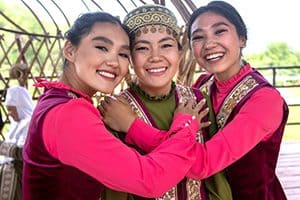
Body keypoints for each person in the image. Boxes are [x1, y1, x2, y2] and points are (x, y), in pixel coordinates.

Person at [101, 1, 289, 199]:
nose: (209, 44)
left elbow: (203, 163)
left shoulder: (264, 100)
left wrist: (132, 126)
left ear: (242, 38)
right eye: (198, 37)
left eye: (220, 31)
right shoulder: (203, 87)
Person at [22, 11, 209, 200]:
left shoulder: (57, 100)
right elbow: (149, 180)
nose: (113, 62)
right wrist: (186, 124)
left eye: (122, 54)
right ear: (70, 50)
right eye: (102, 47)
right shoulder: (70, 114)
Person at [100, 4, 231, 200]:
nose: (155, 57)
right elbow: (116, 190)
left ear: (179, 52)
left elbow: (214, 177)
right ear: (130, 57)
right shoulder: (115, 111)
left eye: (166, 45)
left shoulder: (197, 101)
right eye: (143, 48)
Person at [0, 63, 34, 200]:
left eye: (11, 109)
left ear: (20, 106)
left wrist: (2, 146)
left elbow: (25, 152)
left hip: (21, 176)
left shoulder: (30, 124)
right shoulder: (15, 125)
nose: (9, 114)